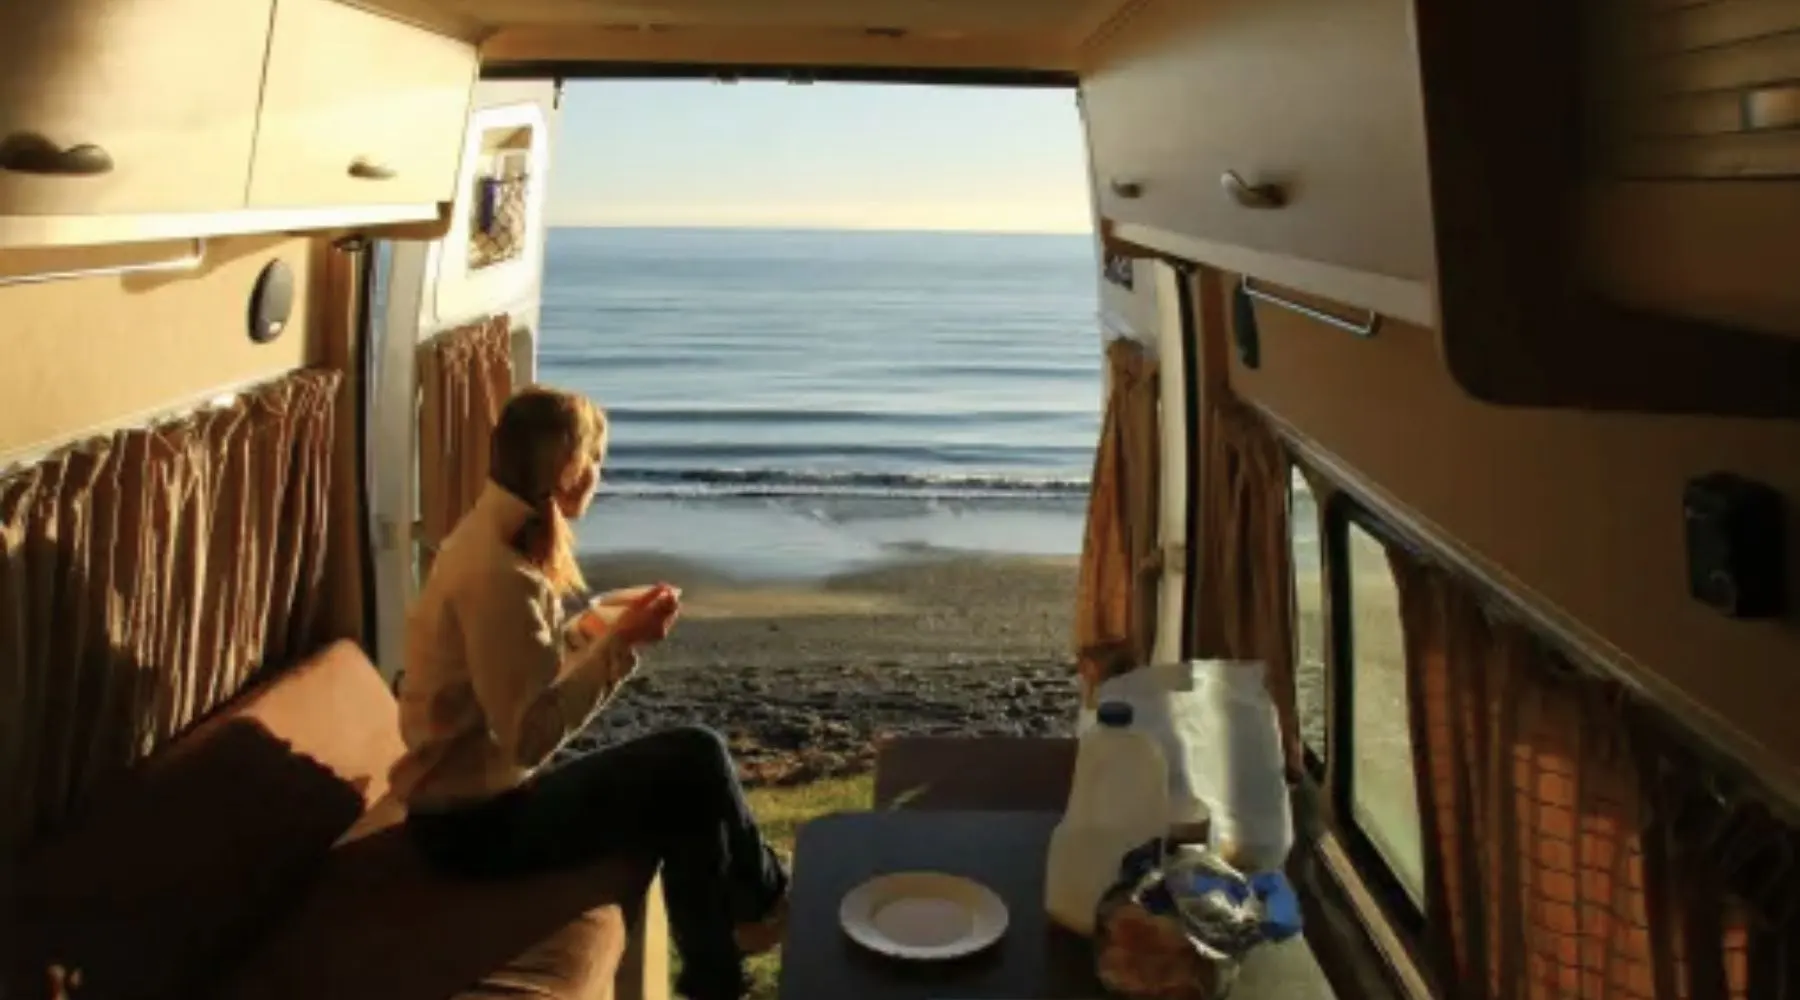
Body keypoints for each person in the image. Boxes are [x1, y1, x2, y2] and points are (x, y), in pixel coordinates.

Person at [389, 385, 789, 1000]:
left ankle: (721, 972)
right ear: (570, 470)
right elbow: (528, 738)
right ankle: (763, 904)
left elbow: (520, 663)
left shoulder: (489, 536)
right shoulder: (501, 573)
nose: (600, 474)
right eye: (596, 459)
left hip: (475, 803)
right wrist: (621, 646)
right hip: (473, 829)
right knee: (696, 753)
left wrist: (593, 630)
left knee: (683, 795)